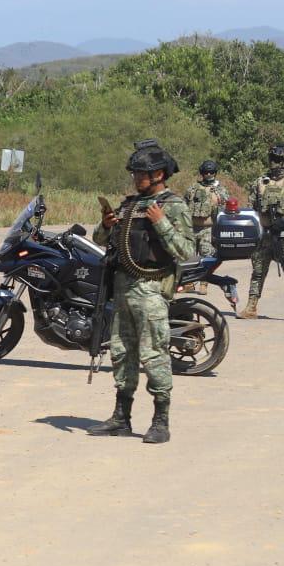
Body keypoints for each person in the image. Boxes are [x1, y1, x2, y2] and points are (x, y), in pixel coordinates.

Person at [88, 140, 195, 444]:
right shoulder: (129, 205)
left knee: (155, 356)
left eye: (141, 173)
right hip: (122, 291)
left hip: (150, 292)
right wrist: (106, 225)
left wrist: (161, 224)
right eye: (134, 173)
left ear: (159, 174)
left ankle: (161, 421)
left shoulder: (173, 206)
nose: (135, 178)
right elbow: (101, 239)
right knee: (122, 354)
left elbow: (186, 250)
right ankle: (121, 418)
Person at [242, 144, 284, 319]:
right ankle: (251, 307)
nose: (273, 162)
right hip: (265, 235)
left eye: (277, 159)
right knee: (257, 271)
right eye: (272, 158)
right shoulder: (260, 182)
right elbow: (252, 207)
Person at [182, 160, 230, 291]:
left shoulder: (220, 190)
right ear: (202, 173)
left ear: (215, 173)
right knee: (189, 257)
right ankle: (189, 283)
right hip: (192, 228)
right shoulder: (192, 188)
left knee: (206, 258)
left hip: (208, 229)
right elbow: (184, 205)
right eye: (206, 172)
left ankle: (204, 284)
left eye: (211, 172)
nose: (208, 174)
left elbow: (225, 208)